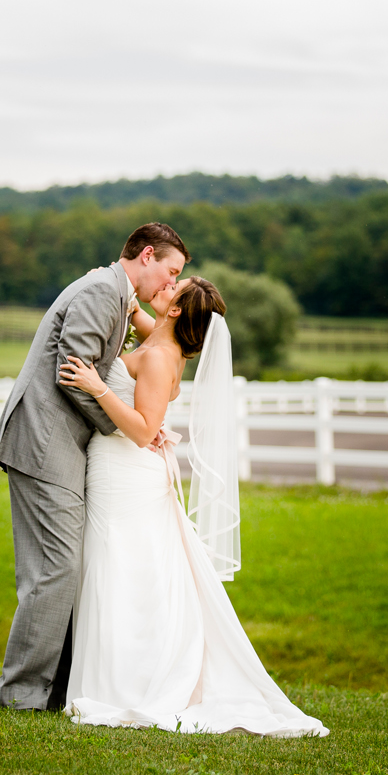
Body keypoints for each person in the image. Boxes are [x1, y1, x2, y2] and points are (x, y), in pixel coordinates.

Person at [56, 276, 329, 737]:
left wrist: (96, 386)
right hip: (121, 470)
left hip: (126, 470)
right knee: (125, 568)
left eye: (176, 285)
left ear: (179, 310)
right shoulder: (160, 338)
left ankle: (124, 685)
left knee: (117, 566)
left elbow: (143, 430)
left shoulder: (161, 356)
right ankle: (116, 677)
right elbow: (135, 310)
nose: (168, 283)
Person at [0, 223, 189, 711]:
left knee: (68, 570)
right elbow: (74, 373)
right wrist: (124, 428)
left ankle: (58, 691)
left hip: (63, 448)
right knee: (56, 570)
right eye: (171, 270)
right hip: (43, 442)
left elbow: (161, 336)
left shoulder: (118, 296)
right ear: (146, 256)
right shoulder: (102, 291)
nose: (171, 282)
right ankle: (20, 698)